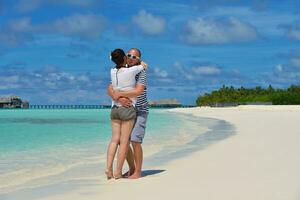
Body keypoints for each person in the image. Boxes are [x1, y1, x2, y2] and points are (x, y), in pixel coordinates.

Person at [105, 48, 146, 179]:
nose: (131, 58)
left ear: (138, 59)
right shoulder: (126, 69)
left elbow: (138, 91)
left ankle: (137, 171)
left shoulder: (140, 71)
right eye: (129, 55)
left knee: (134, 140)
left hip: (140, 109)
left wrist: (119, 95)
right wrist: (119, 98)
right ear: (125, 57)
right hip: (124, 107)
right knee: (123, 141)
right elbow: (110, 88)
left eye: (135, 57)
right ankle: (130, 168)